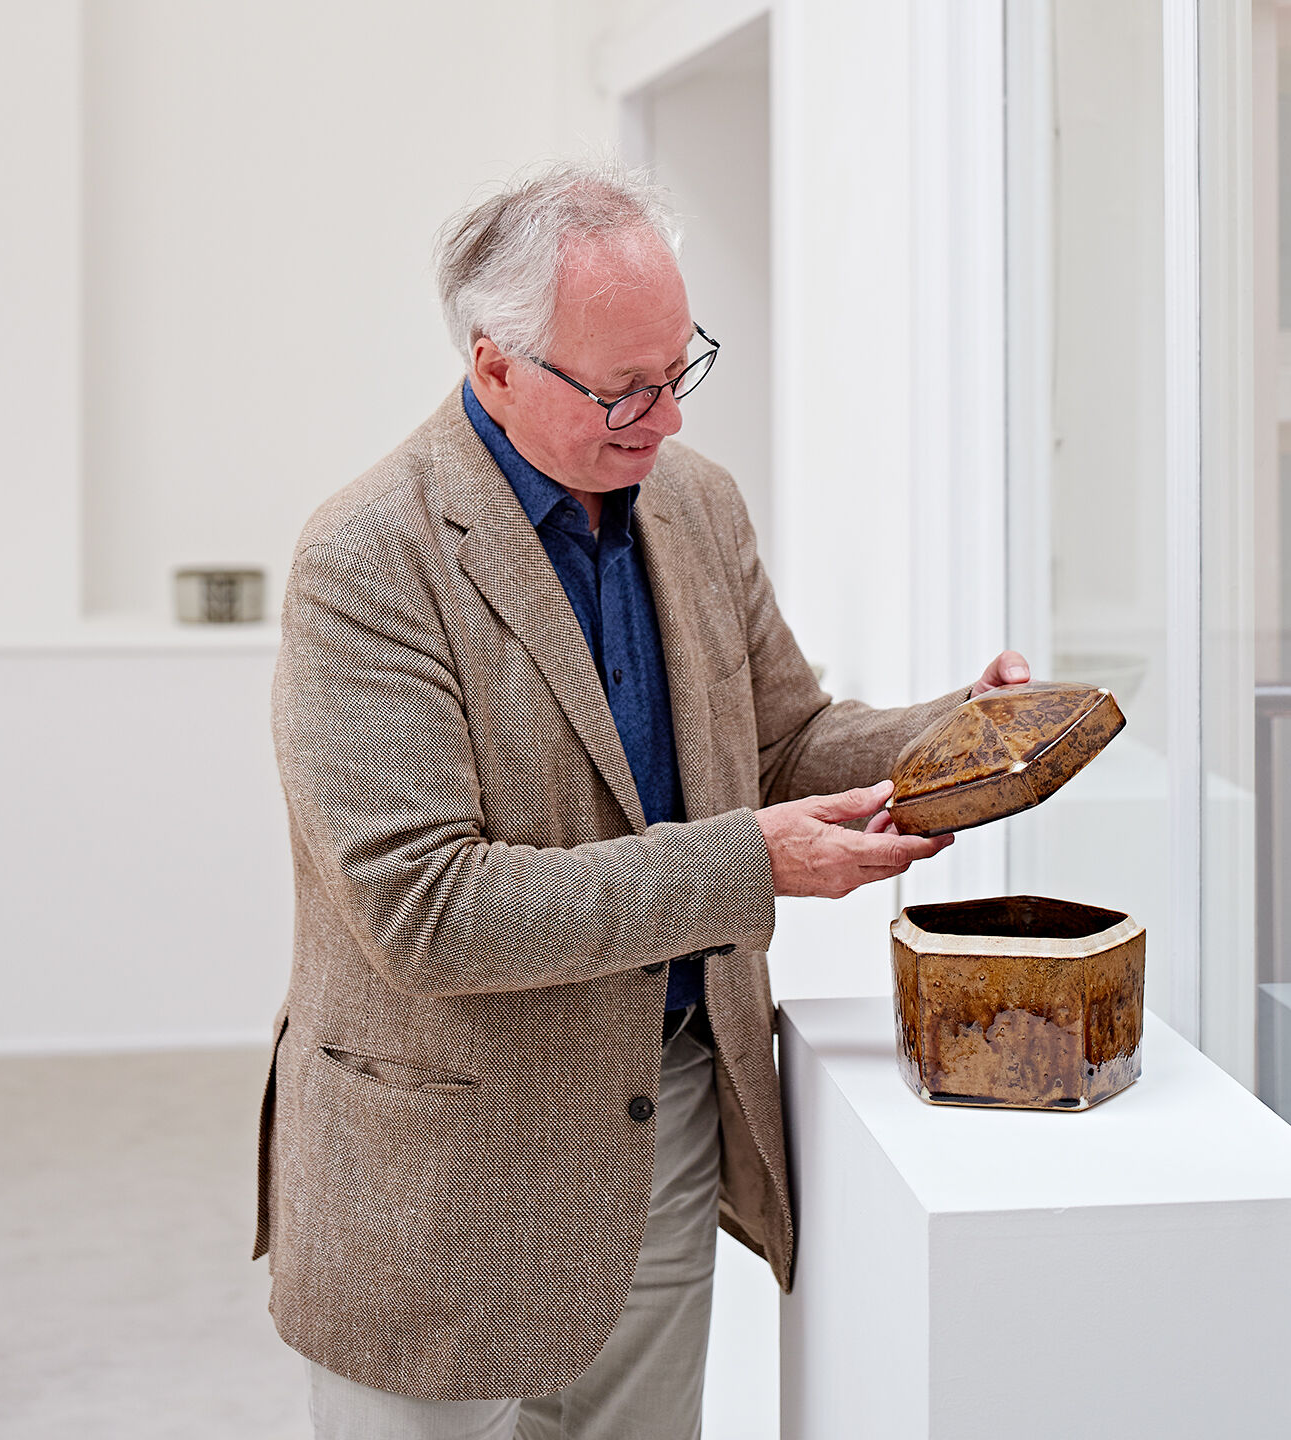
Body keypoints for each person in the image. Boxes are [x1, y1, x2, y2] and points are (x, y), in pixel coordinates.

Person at [253, 159, 1031, 1439]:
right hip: (445, 1167)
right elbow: (424, 911)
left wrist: (963, 732)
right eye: (622, 389)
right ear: (494, 364)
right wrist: (753, 865)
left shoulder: (697, 504)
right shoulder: (367, 559)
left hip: (659, 1117)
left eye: (682, 370)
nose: (663, 419)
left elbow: (783, 744)